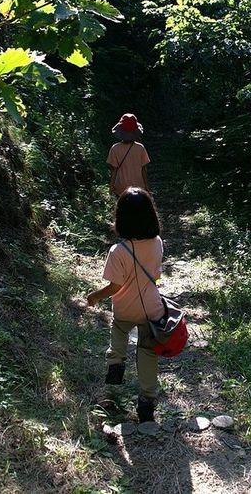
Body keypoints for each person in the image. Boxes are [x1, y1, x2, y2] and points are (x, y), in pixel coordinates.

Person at [86, 187, 165, 423]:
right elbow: (157, 275)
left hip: (125, 309)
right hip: (151, 308)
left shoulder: (118, 251)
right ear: (151, 215)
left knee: (119, 330)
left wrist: (95, 296)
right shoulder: (157, 242)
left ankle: (116, 362)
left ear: (121, 218)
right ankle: (147, 401)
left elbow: (115, 287)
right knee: (147, 353)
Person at [107, 113, 150, 197]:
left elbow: (113, 170)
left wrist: (111, 186)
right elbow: (144, 169)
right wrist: (146, 187)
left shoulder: (115, 148)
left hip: (120, 188)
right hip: (138, 187)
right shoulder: (140, 148)